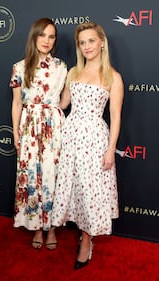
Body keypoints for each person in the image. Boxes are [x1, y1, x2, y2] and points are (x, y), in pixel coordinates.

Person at [51, 22, 124, 269]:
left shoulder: (113, 77)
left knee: (91, 191)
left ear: (102, 42)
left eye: (91, 41)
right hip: (71, 137)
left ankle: (87, 240)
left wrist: (110, 149)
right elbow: (62, 105)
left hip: (94, 140)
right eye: (82, 43)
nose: (86, 47)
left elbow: (115, 117)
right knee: (75, 188)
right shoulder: (73, 72)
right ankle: (80, 233)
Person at [9, 18, 67, 250]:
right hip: (29, 126)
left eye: (51, 36)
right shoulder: (19, 67)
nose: (46, 41)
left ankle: (51, 227)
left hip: (53, 126)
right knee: (31, 176)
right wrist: (16, 132)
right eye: (42, 35)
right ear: (34, 37)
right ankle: (35, 226)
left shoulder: (62, 67)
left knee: (53, 177)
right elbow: (16, 104)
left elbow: (63, 103)